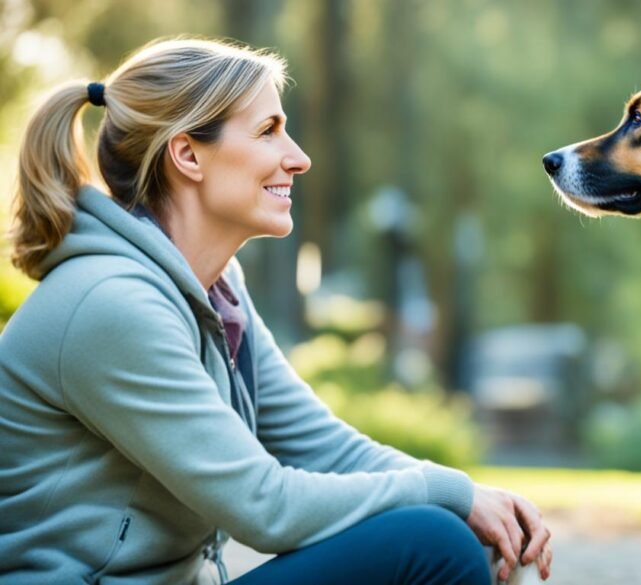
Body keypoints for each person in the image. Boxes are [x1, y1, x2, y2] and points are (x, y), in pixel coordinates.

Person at [0, 38, 552, 585]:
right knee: (434, 544)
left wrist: (468, 497)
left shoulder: (216, 288)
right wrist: (448, 495)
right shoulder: (111, 303)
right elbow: (266, 506)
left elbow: (322, 447)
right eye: (268, 131)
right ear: (187, 154)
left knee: (464, 538)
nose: (299, 157)